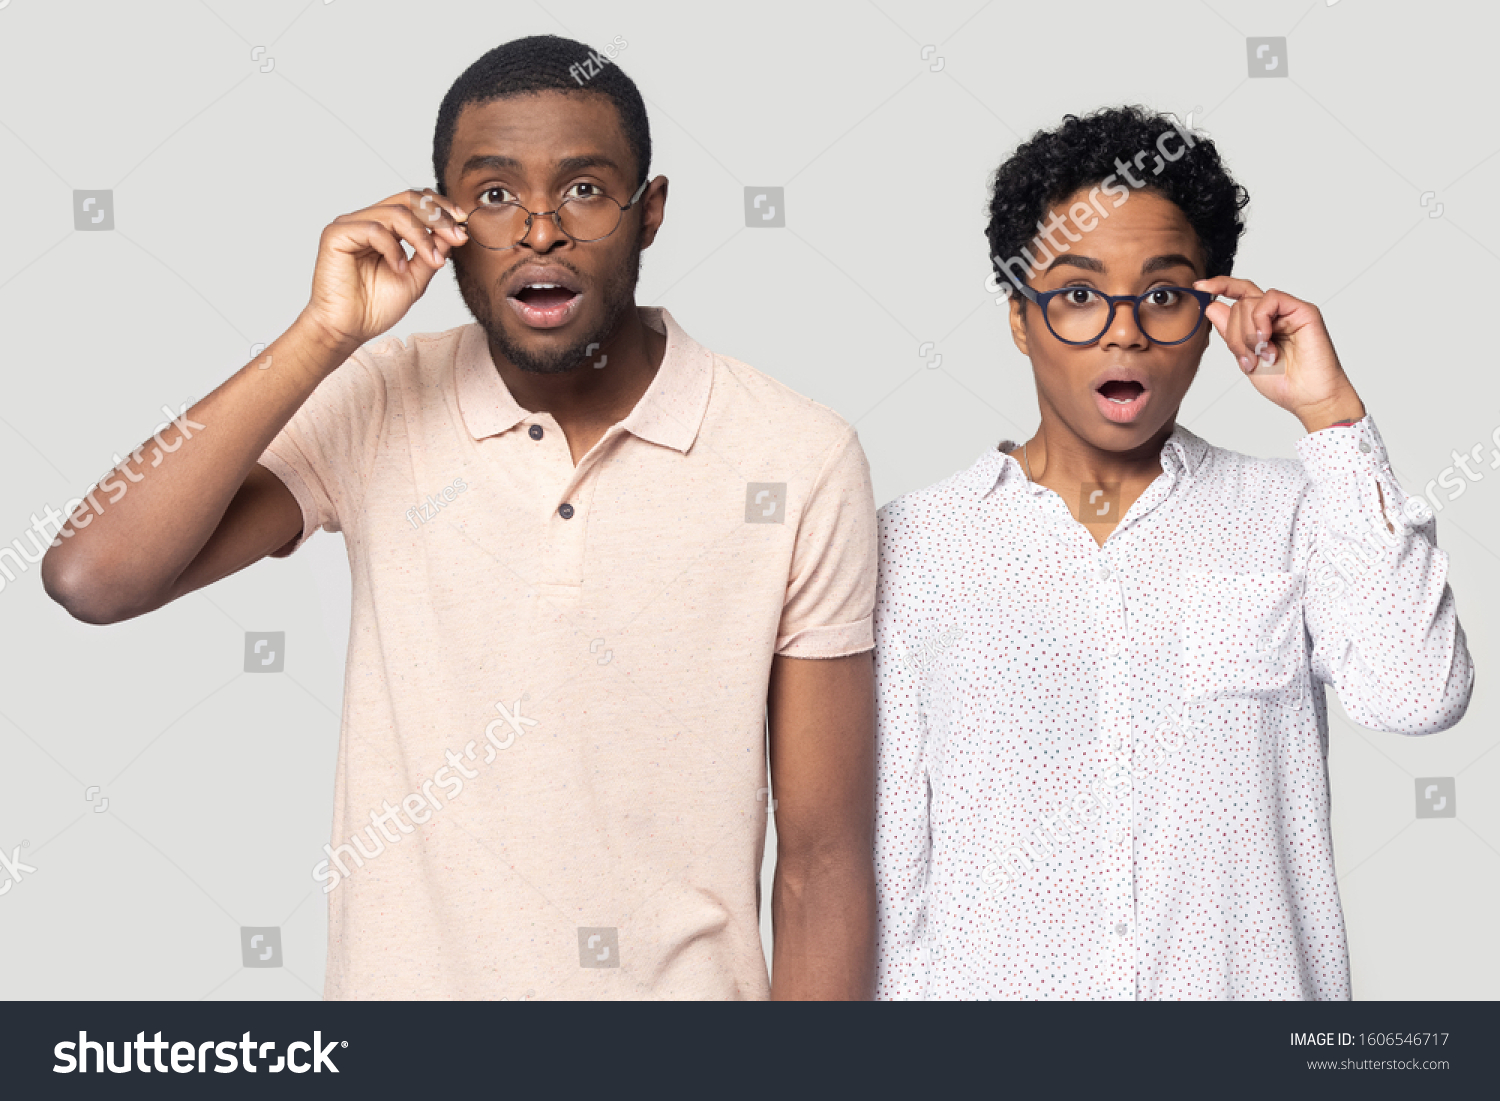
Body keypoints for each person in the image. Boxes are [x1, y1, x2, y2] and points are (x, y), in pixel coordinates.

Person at [43, 35, 877, 1000]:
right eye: (491, 196)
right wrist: (323, 334)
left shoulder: (796, 454)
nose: (538, 230)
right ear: (441, 224)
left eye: (585, 190)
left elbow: (822, 862)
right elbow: (93, 576)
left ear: (649, 215)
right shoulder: (378, 397)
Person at [873, 105, 1472, 1000]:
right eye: (1077, 294)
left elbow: (1417, 695)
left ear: (1212, 312)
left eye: (1163, 295)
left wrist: (1330, 413)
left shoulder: (1297, 513)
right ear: (1019, 318)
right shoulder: (914, 542)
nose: (1124, 331)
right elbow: (892, 859)